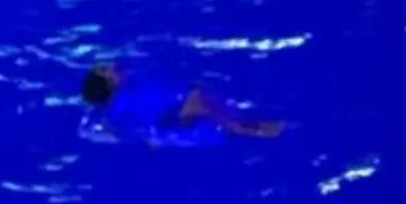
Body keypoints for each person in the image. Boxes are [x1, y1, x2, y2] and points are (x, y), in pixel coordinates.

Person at [82, 62, 286, 141]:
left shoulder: (115, 113)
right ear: (111, 83)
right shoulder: (133, 93)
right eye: (106, 70)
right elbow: (180, 111)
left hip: (177, 128)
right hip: (194, 119)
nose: (111, 66)